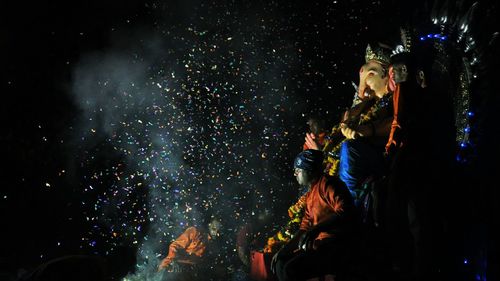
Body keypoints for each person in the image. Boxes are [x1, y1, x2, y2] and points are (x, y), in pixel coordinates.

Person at [271, 149, 358, 281]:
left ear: (308, 170)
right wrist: (283, 250)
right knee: (280, 262)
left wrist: (316, 229)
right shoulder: (311, 194)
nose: (295, 174)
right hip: (320, 246)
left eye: (298, 170)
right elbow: (304, 229)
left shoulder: (328, 184)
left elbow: (346, 211)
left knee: (291, 269)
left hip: (336, 245)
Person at [158, 218, 223, 280]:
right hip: (173, 266)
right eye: (214, 229)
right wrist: (173, 261)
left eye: (219, 231)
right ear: (209, 225)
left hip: (188, 271)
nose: (216, 233)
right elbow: (175, 246)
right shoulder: (194, 232)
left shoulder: (212, 245)